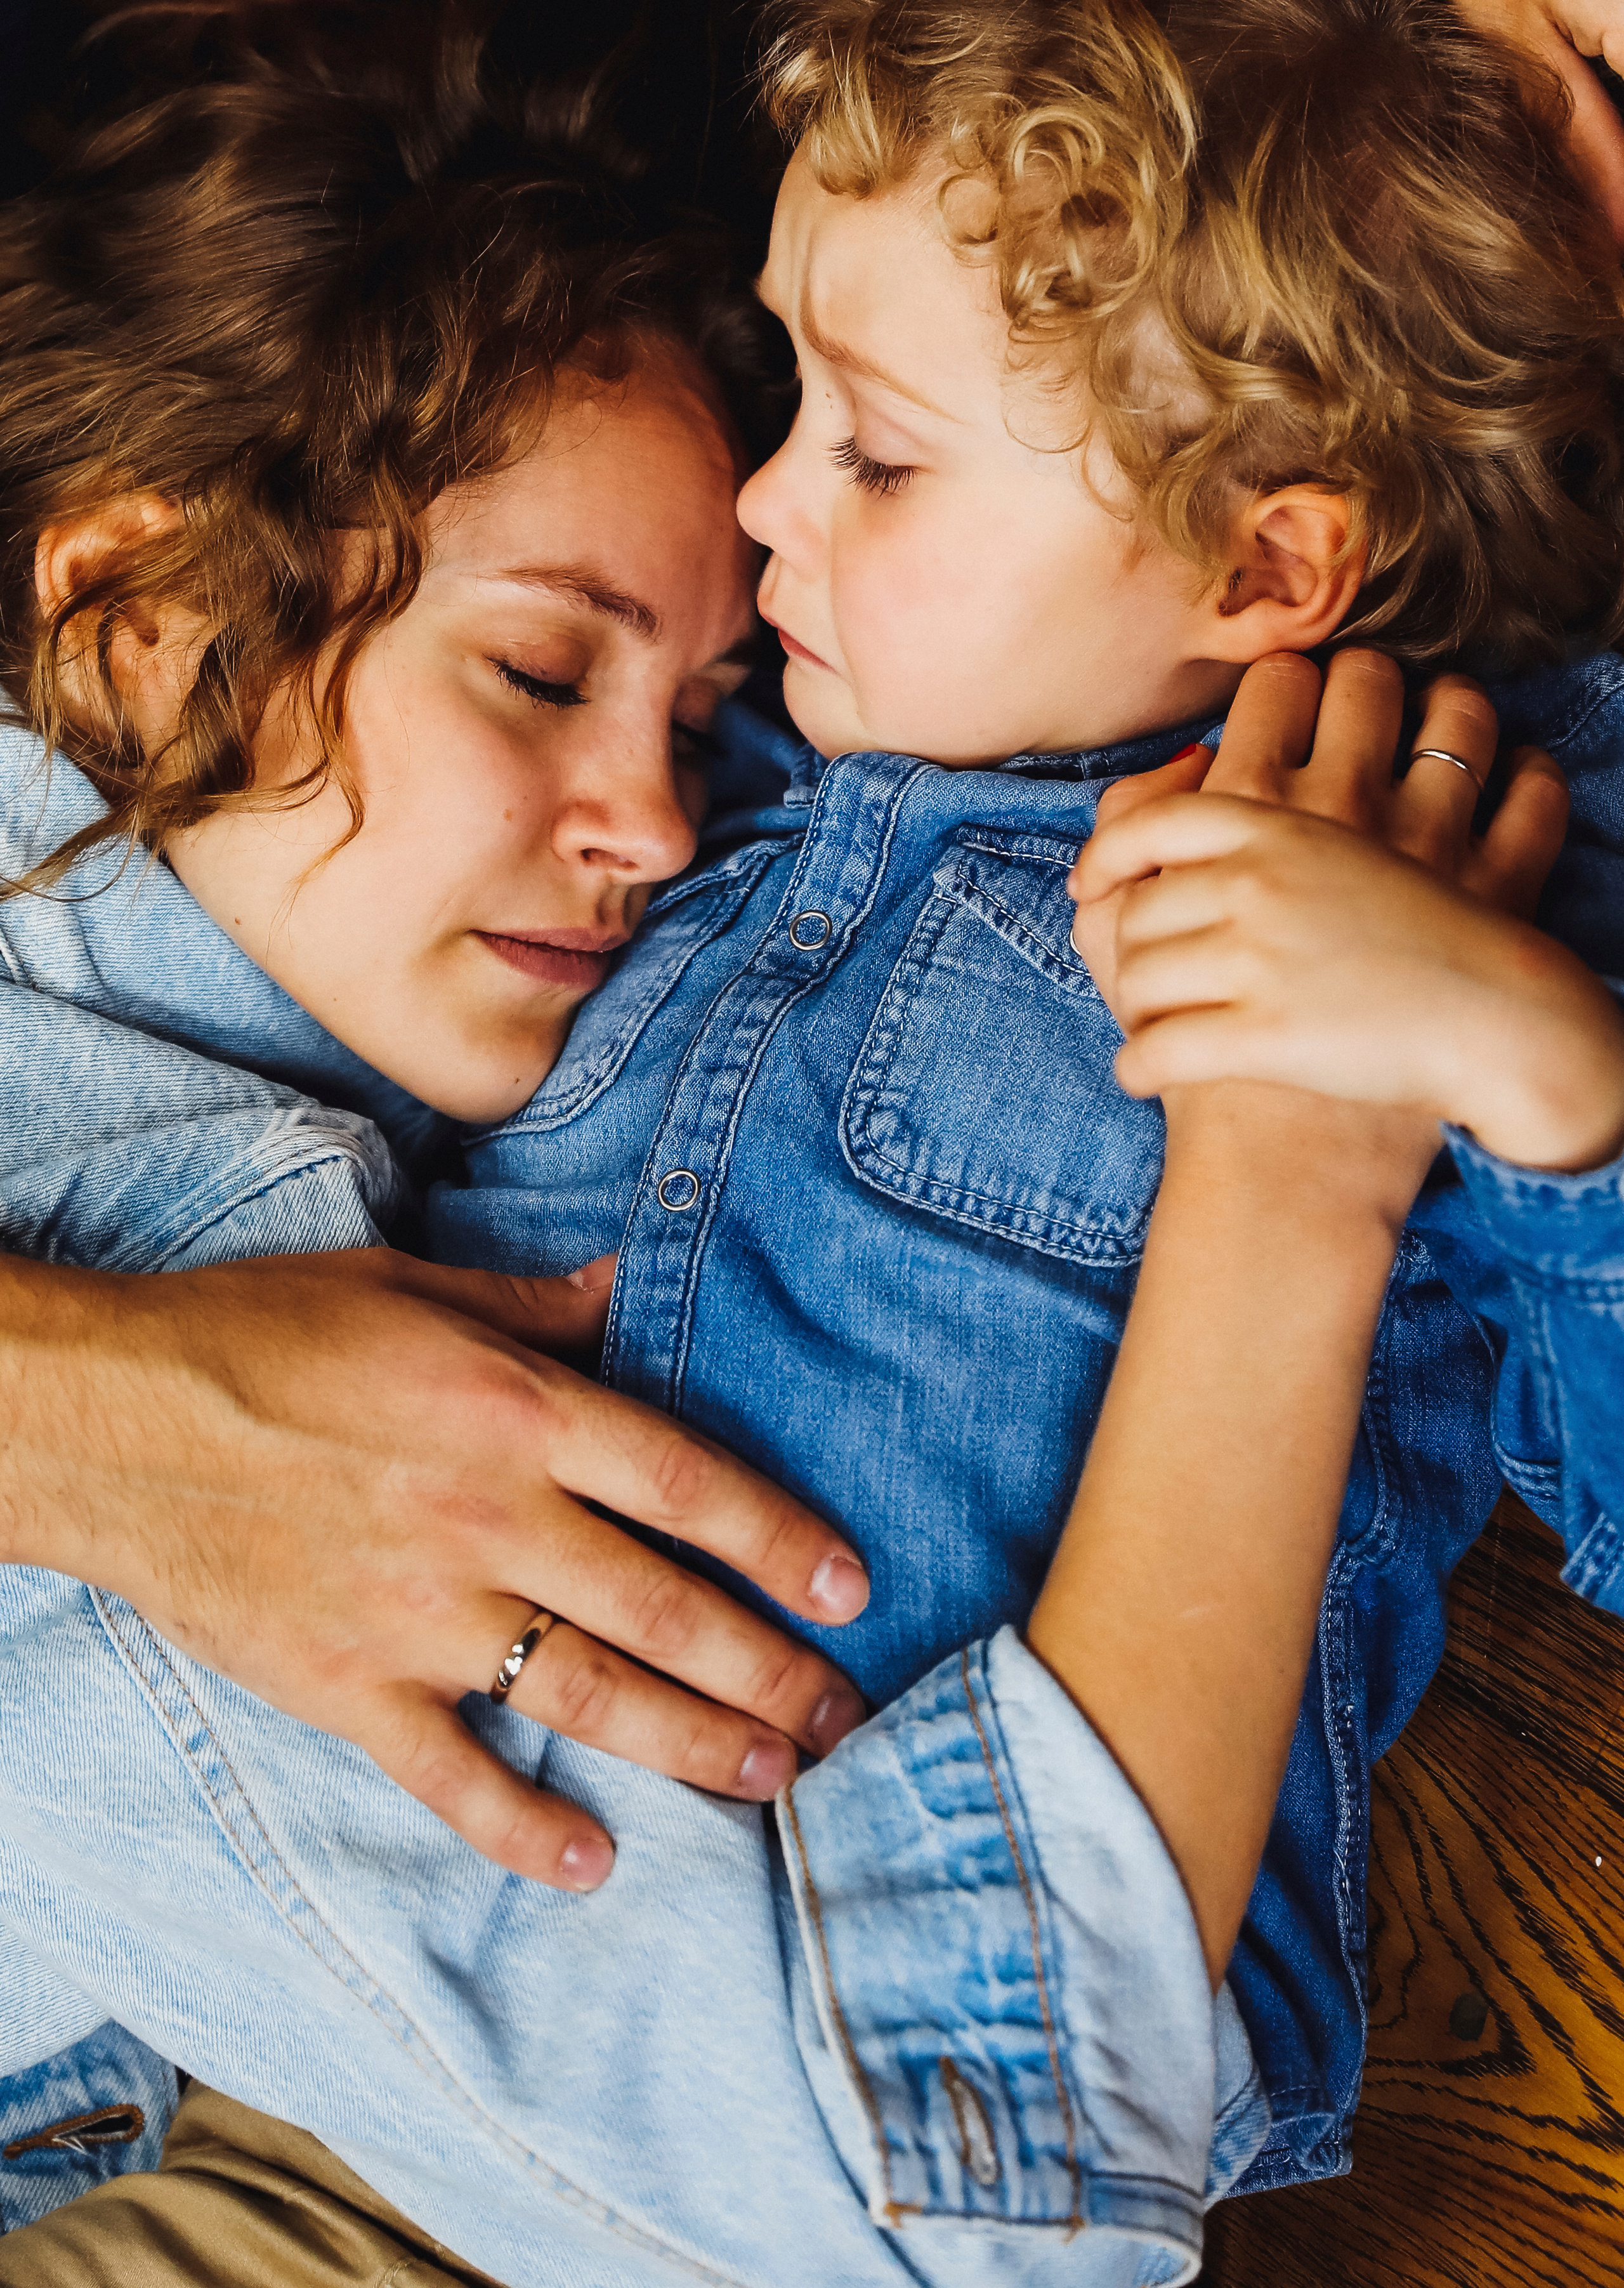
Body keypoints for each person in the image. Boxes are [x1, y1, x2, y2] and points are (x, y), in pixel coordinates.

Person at [4, 0, 1624, 2282]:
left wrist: (1540, 1084)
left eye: (867, 454)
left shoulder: (1456, 835)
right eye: (794, 408)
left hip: (841, 2027)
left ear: (1267, 570)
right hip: (314, 2018)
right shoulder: (739, 767)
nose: (766, 510)